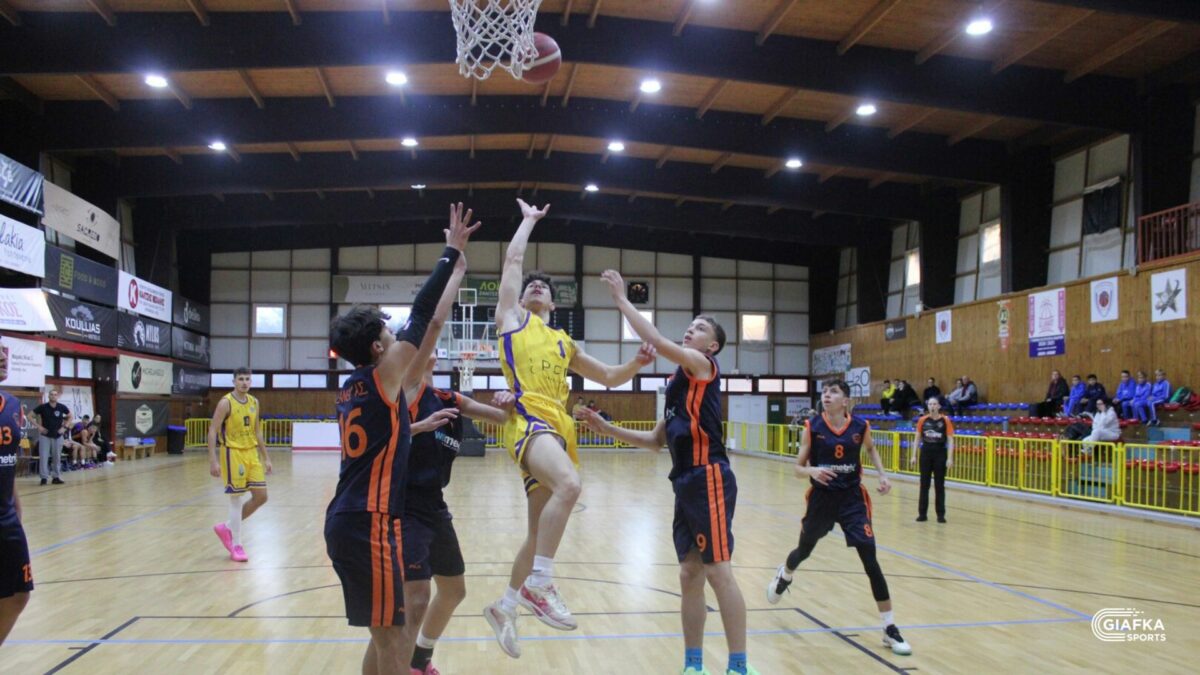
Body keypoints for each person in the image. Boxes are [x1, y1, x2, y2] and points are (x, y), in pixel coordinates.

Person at [483, 200, 654, 658]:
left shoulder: (564, 342)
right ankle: (540, 583)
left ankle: (505, 605)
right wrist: (528, 222)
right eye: (531, 285)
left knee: (537, 535)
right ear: (521, 299)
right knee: (571, 485)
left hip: (558, 428)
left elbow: (610, 377)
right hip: (528, 420)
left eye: (544, 286)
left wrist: (636, 363)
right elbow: (513, 260)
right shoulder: (512, 320)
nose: (536, 287)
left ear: (554, 303)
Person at [576, 268, 758, 675]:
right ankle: (694, 664)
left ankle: (740, 666)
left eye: (700, 328)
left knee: (718, 572)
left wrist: (622, 300)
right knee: (689, 573)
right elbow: (656, 441)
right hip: (685, 482)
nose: (690, 330)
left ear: (712, 345)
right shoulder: (678, 383)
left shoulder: (702, 365)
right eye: (690, 326)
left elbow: (656, 341)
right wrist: (607, 429)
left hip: (709, 475)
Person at [326, 203, 479, 675]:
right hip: (369, 522)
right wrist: (449, 255)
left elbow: (381, 443)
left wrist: (414, 429)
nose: (397, 338)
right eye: (389, 334)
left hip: (349, 518)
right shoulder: (383, 378)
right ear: (377, 348)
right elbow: (423, 317)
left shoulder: (352, 389)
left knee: (384, 636)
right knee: (394, 640)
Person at [396, 255, 513, 675]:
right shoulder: (406, 390)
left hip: (434, 507)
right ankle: (400, 666)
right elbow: (432, 324)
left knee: (453, 590)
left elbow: (502, 418)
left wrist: (509, 400)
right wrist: (455, 272)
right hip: (402, 507)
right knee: (415, 598)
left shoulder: (449, 399)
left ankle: (419, 659)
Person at [766, 380, 912, 656]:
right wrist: (812, 471)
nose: (827, 395)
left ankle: (889, 627)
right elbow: (797, 468)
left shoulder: (860, 426)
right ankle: (785, 574)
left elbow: (871, 449)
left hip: (852, 500)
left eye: (833, 392)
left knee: (870, 560)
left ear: (845, 401)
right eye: (825, 392)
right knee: (804, 550)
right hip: (822, 500)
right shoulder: (813, 427)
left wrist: (882, 475)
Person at [207, 367, 272, 563]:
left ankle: (227, 526)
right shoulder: (226, 402)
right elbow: (212, 430)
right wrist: (213, 460)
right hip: (232, 453)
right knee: (236, 498)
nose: (244, 382)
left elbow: (257, 431)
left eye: (247, 379)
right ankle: (236, 545)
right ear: (234, 381)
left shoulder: (254, 402)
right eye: (241, 379)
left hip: (251, 452)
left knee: (261, 496)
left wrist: (266, 457)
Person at [0, 343, 33, 646]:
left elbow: (7, 463)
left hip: (6, 519)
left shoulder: (12, 405)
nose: (2, 357)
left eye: (3, 350)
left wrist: (16, 512)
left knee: (19, 594)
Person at [911, 399, 954, 523]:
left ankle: (940, 515)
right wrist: (914, 455)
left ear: (939, 406)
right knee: (924, 484)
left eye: (934, 404)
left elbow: (950, 440)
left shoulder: (945, 420)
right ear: (927, 406)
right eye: (930, 404)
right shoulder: (922, 420)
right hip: (926, 453)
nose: (932, 406)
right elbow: (917, 438)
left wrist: (950, 458)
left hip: (940, 453)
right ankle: (922, 514)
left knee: (939, 485)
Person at [32, 388, 71, 485]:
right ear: (48, 396)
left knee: (56, 457)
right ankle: (44, 478)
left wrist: (64, 427)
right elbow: (29, 416)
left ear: (57, 396)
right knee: (44, 457)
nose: (53, 396)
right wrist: (39, 427)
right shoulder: (43, 407)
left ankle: (56, 477)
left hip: (58, 436)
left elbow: (70, 416)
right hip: (45, 435)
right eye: (51, 394)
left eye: (55, 394)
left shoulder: (61, 407)